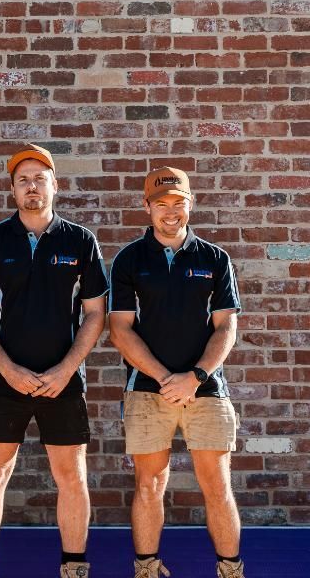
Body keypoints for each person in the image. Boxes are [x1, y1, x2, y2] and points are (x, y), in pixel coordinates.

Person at [0, 144, 108, 578]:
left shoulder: (80, 241)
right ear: (12, 189)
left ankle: (74, 568)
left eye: (39, 178)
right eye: (23, 180)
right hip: (4, 380)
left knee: (71, 476)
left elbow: (96, 314)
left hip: (63, 381)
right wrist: (9, 369)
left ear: (55, 185)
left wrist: (65, 370)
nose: (31, 186)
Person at [109, 167, 244, 578]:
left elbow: (226, 327)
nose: (171, 212)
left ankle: (230, 569)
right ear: (147, 206)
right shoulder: (129, 260)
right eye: (162, 204)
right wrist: (168, 379)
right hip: (148, 391)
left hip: (207, 389)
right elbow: (120, 329)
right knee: (149, 484)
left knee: (217, 486)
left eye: (178, 203)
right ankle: (147, 568)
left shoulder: (214, 259)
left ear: (191, 204)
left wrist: (196, 377)